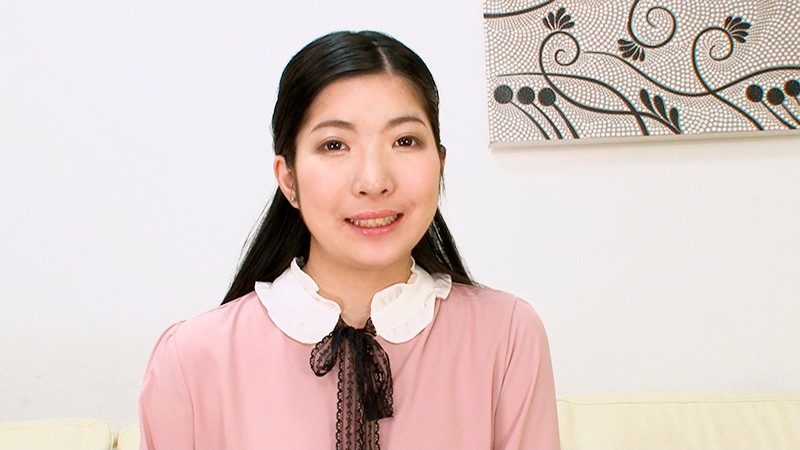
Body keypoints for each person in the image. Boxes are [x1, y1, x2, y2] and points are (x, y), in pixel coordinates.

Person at [138, 30, 560, 450]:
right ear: (289, 179)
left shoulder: (506, 337)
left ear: (440, 163)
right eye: (335, 145)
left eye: (405, 141)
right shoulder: (190, 360)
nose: (374, 181)